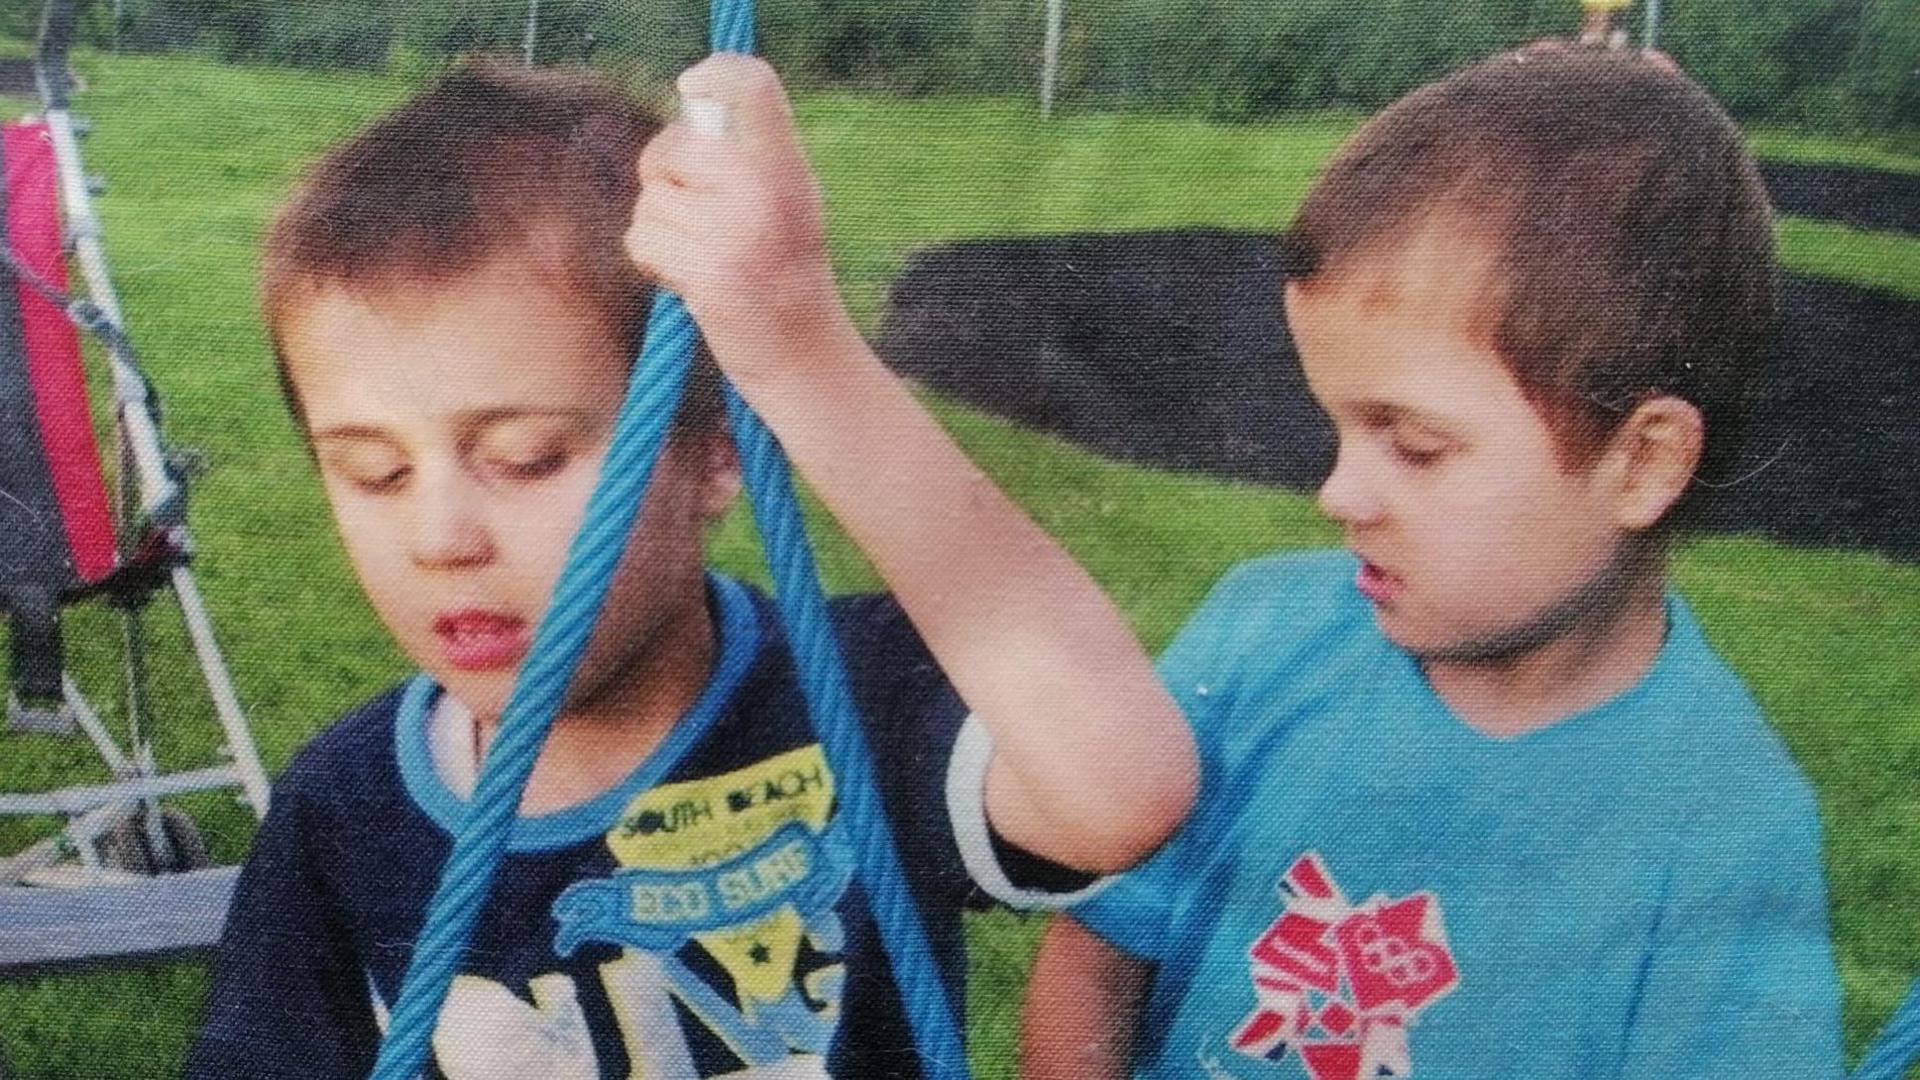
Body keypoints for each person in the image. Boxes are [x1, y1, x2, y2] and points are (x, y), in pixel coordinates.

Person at [188, 58, 1192, 1079]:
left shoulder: (854, 697)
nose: (441, 537)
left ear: (712, 451)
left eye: (526, 459)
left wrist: (798, 346)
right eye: (375, 471)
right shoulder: (343, 808)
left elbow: (1119, 786)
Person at [1020, 47, 1843, 1080]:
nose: (1340, 492)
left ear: (1641, 462)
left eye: (1413, 446)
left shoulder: (1727, 826)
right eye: (1337, 429)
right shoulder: (1258, 638)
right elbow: (1098, 958)